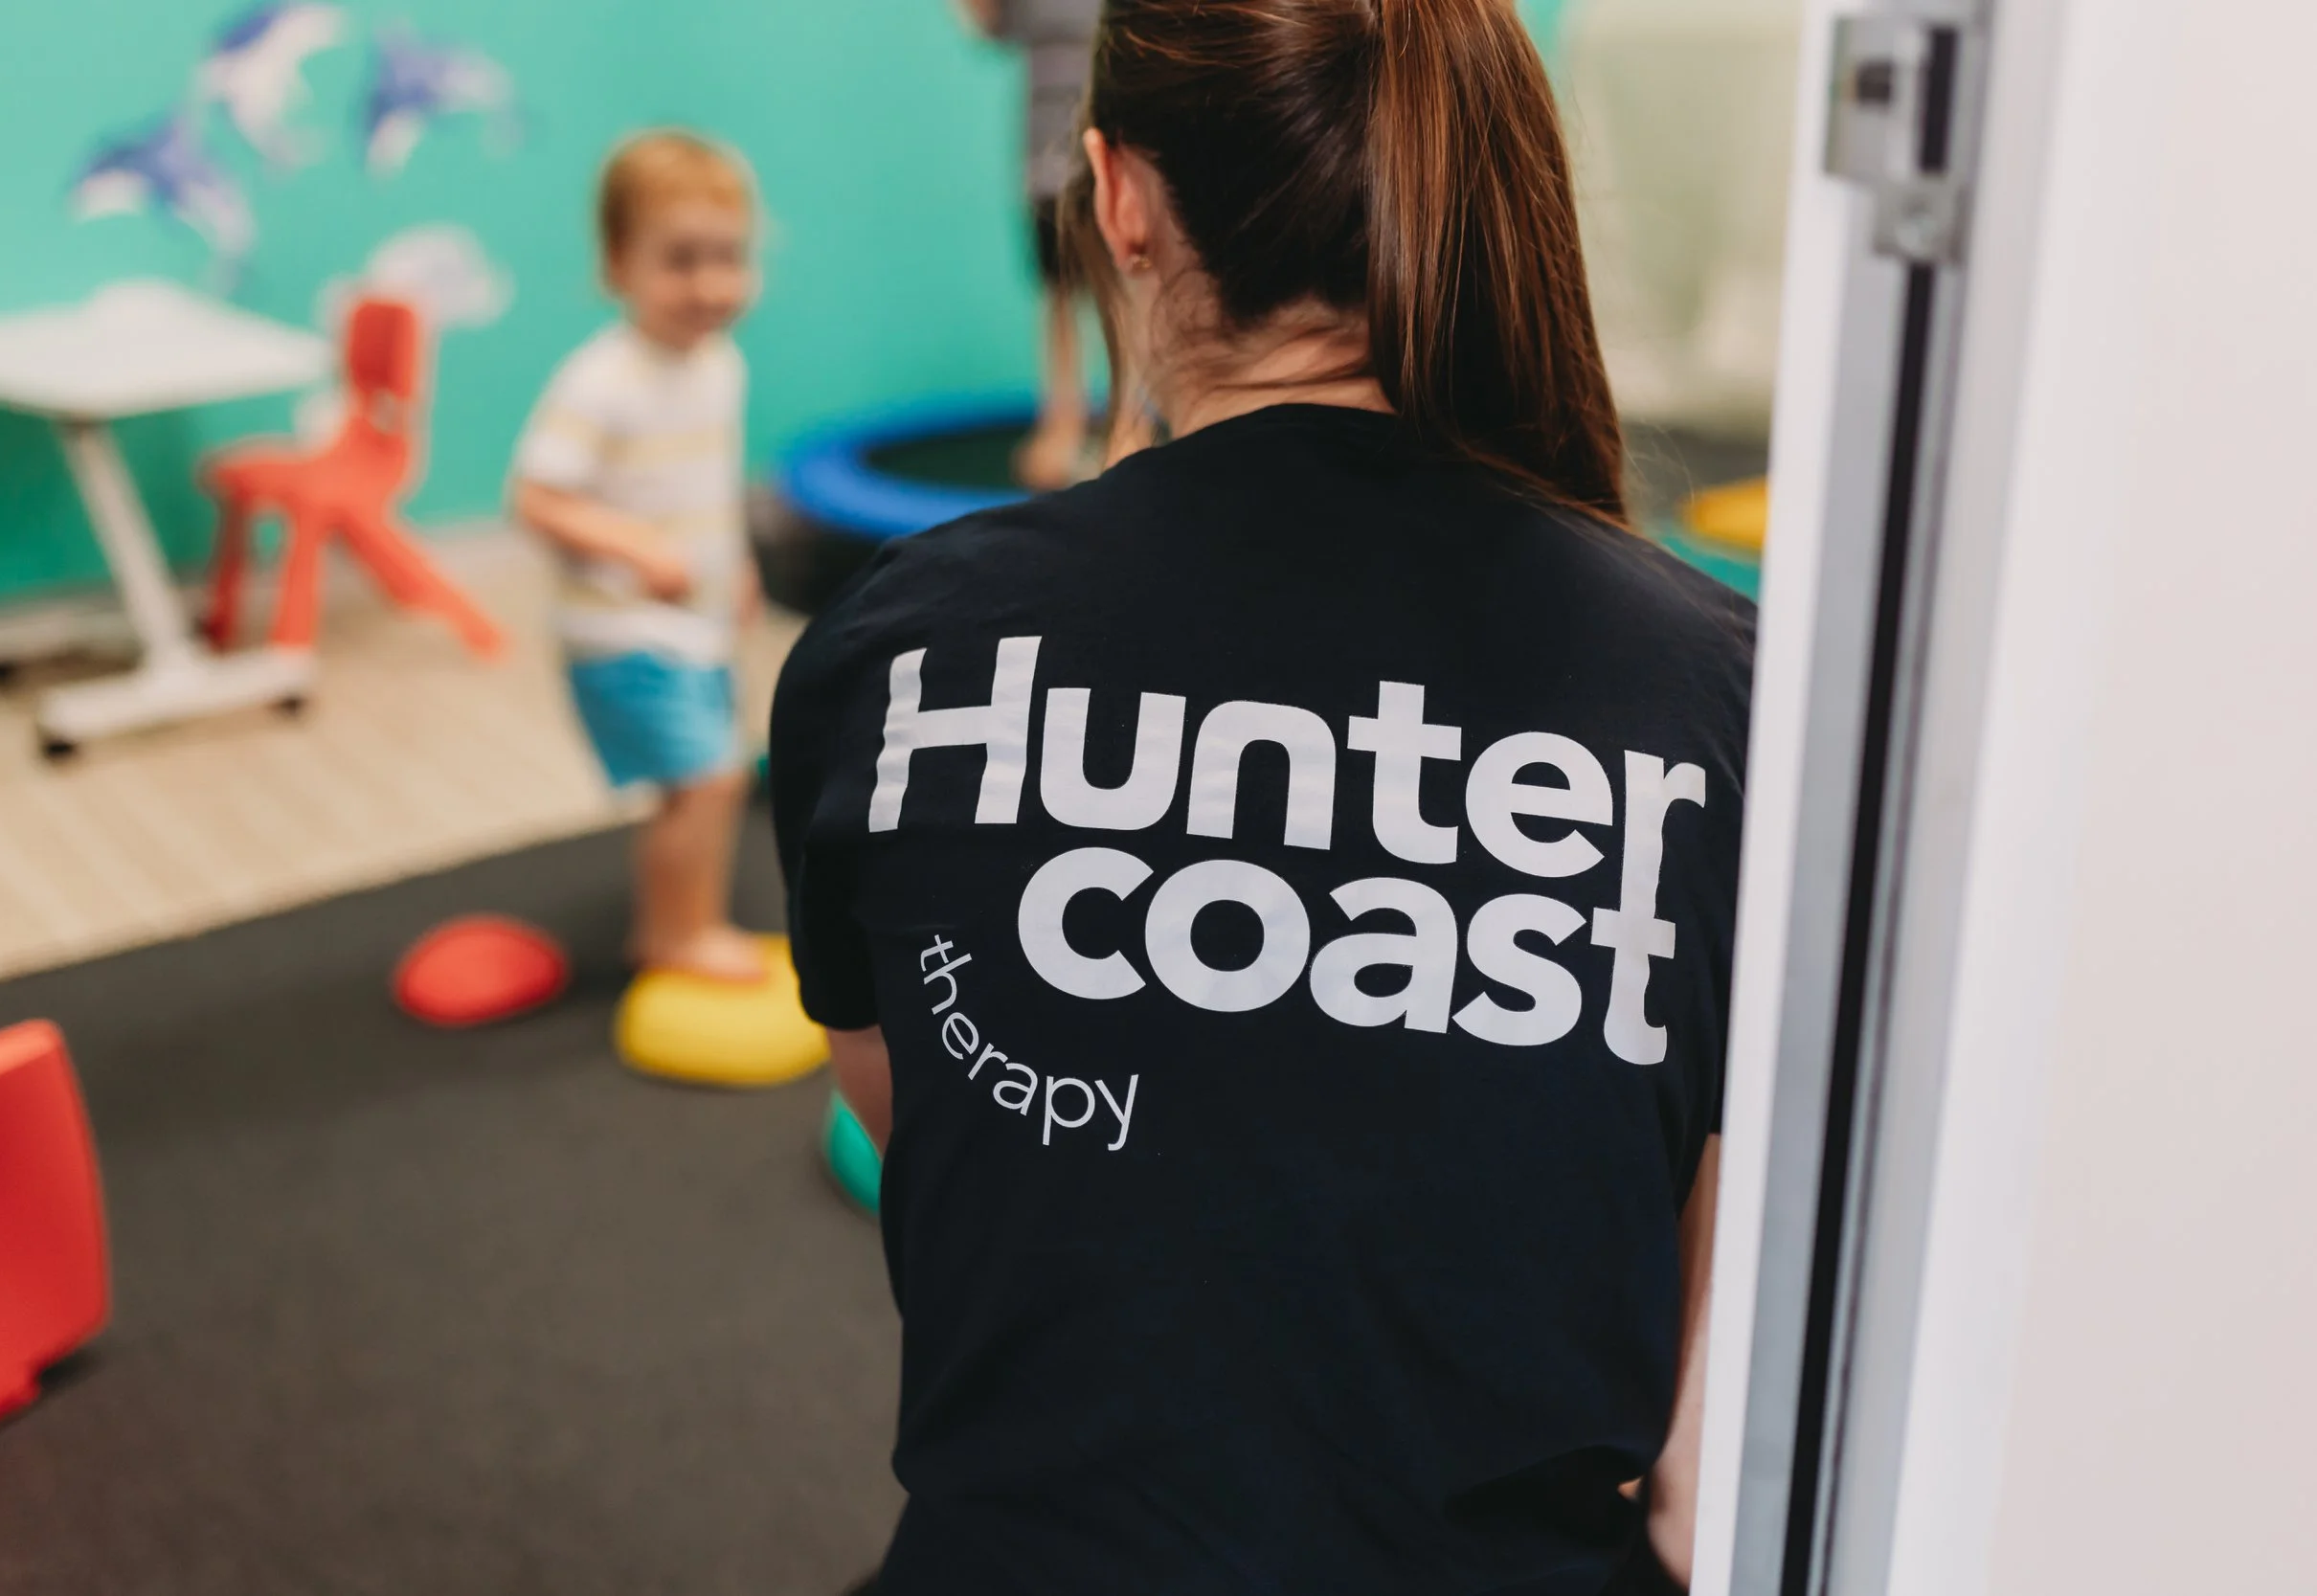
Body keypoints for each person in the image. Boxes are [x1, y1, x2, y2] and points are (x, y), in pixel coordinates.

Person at [774, 1, 1750, 1590]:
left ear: (1120, 196)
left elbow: (945, 1134)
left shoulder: (897, 649)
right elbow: (1692, 1354)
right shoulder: (1721, 694)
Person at [512, 131, 769, 984]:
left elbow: (705, 485)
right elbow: (537, 497)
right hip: (622, 631)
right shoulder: (600, 380)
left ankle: (677, 919)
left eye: (727, 258)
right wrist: (632, 545)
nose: (708, 286)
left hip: (690, 623)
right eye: (679, 261)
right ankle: (676, 936)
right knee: (711, 782)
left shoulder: (720, 363)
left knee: (691, 784)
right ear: (617, 266)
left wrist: (736, 571)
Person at [956, 0, 1105, 489]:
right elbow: (989, 26)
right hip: (1045, 165)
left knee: (1122, 294)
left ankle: (1129, 424)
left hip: (1109, 153)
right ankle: (1062, 422)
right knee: (1059, 294)